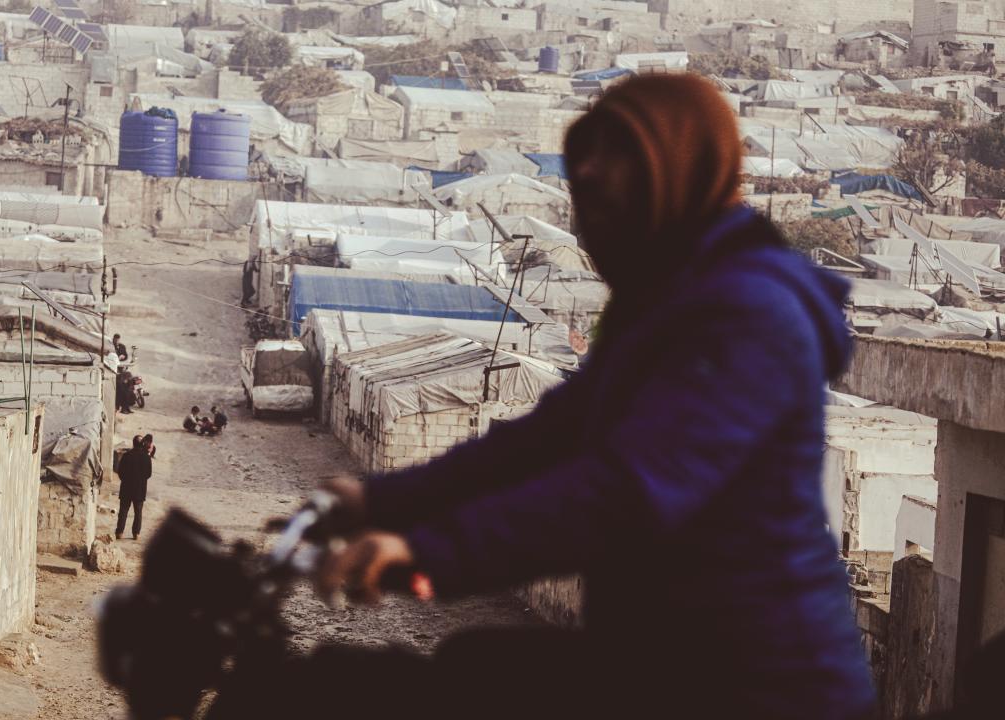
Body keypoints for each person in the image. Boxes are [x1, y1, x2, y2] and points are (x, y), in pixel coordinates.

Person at [214, 75, 879, 720]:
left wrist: (430, 552)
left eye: (613, 197)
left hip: (756, 683)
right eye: (585, 201)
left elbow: (624, 492)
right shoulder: (662, 307)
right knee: (467, 665)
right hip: (662, 658)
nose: (593, 225)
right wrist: (378, 502)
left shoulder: (750, 314)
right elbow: (540, 440)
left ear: (677, 177)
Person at [116, 435, 154, 540]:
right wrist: (140, 480)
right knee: (138, 512)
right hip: (140, 489)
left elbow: (120, 472)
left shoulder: (126, 455)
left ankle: (119, 532)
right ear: (142, 444)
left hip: (126, 488)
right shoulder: (146, 457)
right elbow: (148, 474)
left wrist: (126, 480)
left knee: (123, 511)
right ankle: (136, 533)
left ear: (133, 443)